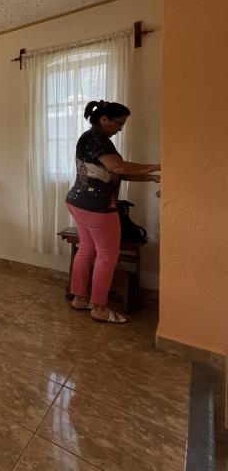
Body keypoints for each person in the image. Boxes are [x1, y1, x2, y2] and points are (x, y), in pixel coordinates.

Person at [65, 100, 160, 323]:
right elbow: (118, 167)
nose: (120, 128)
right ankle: (99, 308)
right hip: (97, 206)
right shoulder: (98, 139)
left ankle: (80, 299)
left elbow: (114, 172)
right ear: (104, 119)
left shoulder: (91, 138)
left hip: (78, 202)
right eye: (119, 123)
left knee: (87, 249)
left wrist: (149, 177)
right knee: (107, 255)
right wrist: (155, 166)